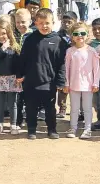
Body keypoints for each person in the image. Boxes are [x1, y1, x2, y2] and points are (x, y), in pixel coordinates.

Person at [16, 8, 68, 140]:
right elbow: (23, 58)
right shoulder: (30, 39)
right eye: (41, 23)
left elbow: (62, 63)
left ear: (53, 23)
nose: (44, 26)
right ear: (36, 23)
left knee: (50, 108)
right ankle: (31, 130)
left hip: (49, 82)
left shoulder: (59, 41)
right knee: (31, 107)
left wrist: (61, 81)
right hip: (31, 81)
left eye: (47, 23)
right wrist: (20, 74)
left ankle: (52, 129)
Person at [64, 22, 100, 139]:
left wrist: (95, 83)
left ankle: (87, 129)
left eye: (83, 33)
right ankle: (73, 127)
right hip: (73, 85)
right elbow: (66, 68)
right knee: (74, 108)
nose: (80, 36)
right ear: (72, 36)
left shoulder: (92, 51)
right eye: (76, 33)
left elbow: (96, 69)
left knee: (87, 108)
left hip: (88, 85)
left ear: (87, 35)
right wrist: (66, 83)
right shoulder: (70, 51)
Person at [0, 16, 22, 135]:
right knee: (0, 103)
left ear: (9, 33)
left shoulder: (15, 47)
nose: (0, 36)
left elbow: (18, 63)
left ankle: (13, 125)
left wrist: (19, 76)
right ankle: (0, 124)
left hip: (12, 78)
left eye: (3, 33)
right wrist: (2, 49)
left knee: (12, 102)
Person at [12, 8, 33, 129]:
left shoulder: (33, 35)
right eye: (18, 22)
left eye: (23, 22)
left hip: (29, 70)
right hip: (16, 71)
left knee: (29, 97)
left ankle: (29, 119)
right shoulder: (13, 35)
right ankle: (18, 120)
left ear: (30, 22)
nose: (20, 24)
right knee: (17, 98)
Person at [56, 11, 77, 118]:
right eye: (64, 22)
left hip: (76, 64)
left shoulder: (78, 35)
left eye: (69, 22)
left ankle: (76, 109)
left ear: (75, 22)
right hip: (62, 64)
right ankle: (62, 108)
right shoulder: (58, 36)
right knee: (62, 87)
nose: (67, 24)